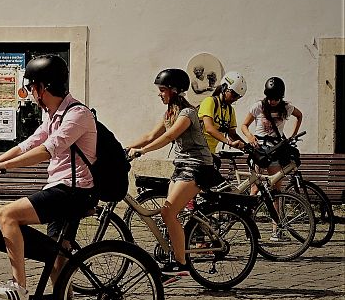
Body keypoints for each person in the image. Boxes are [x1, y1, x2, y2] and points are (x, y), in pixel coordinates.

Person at [0, 55, 97, 300]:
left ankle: (18, 289)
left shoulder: (77, 114)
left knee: (6, 215)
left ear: (44, 87)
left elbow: (48, 149)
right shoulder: (54, 114)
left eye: (31, 87)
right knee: (60, 263)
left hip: (73, 191)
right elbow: (31, 142)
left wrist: (5, 168)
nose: (30, 93)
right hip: (60, 189)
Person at [127, 69, 220, 281]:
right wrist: (125, 147)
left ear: (174, 90)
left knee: (168, 213)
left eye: (162, 90)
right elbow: (151, 135)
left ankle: (181, 265)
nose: (159, 94)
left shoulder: (187, 114)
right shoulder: (169, 113)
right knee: (170, 214)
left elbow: (170, 136)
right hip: (181, 166)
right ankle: (175, 259)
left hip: (197, 167)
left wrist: (143, 151)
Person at [240, 77, 303, 240]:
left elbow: (299, 115)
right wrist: (250, 137)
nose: (272, 101)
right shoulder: (258, 107)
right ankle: (250, 229)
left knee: (276, 191)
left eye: (276, 98)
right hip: (259, 150)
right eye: (270, 98)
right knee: (254, 190)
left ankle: (276, 230)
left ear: (280, 97)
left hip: (275, 150)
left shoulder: (287, 107)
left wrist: (293, 135)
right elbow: (244, 125)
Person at [199, 71, 247, 168]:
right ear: (224, 88)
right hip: (197, 151)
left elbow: (232, 134)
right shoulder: (210, 101)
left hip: (210, 153)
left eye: (238, 97)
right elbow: (209, 128)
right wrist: (229, 142)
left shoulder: (230, 110)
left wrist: (247, 147)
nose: (235, 99)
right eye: (234, 95)